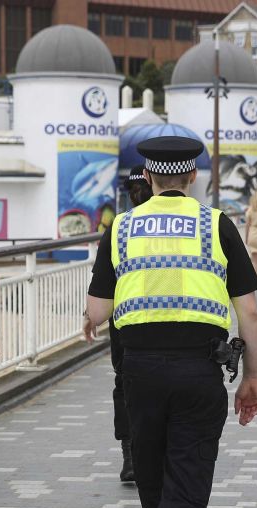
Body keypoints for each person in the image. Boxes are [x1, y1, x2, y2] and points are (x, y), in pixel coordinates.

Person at [84, 136, 257, 508]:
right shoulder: (216, 224)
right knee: (187, 488)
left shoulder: (120, 226)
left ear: (147, 176)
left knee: (154, 482)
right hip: (199, 371)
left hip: (138, 373)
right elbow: (248, 311)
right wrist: (253, 376)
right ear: (191, 177)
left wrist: (92, 317)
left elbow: (98, 313)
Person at [103, 165, 153, 484]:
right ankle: (146, 453)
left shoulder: (118, 228)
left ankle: (131, 454)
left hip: (124, 321)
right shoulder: (172, 227)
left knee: (125, 384)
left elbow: (102, 289)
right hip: (167, 319)